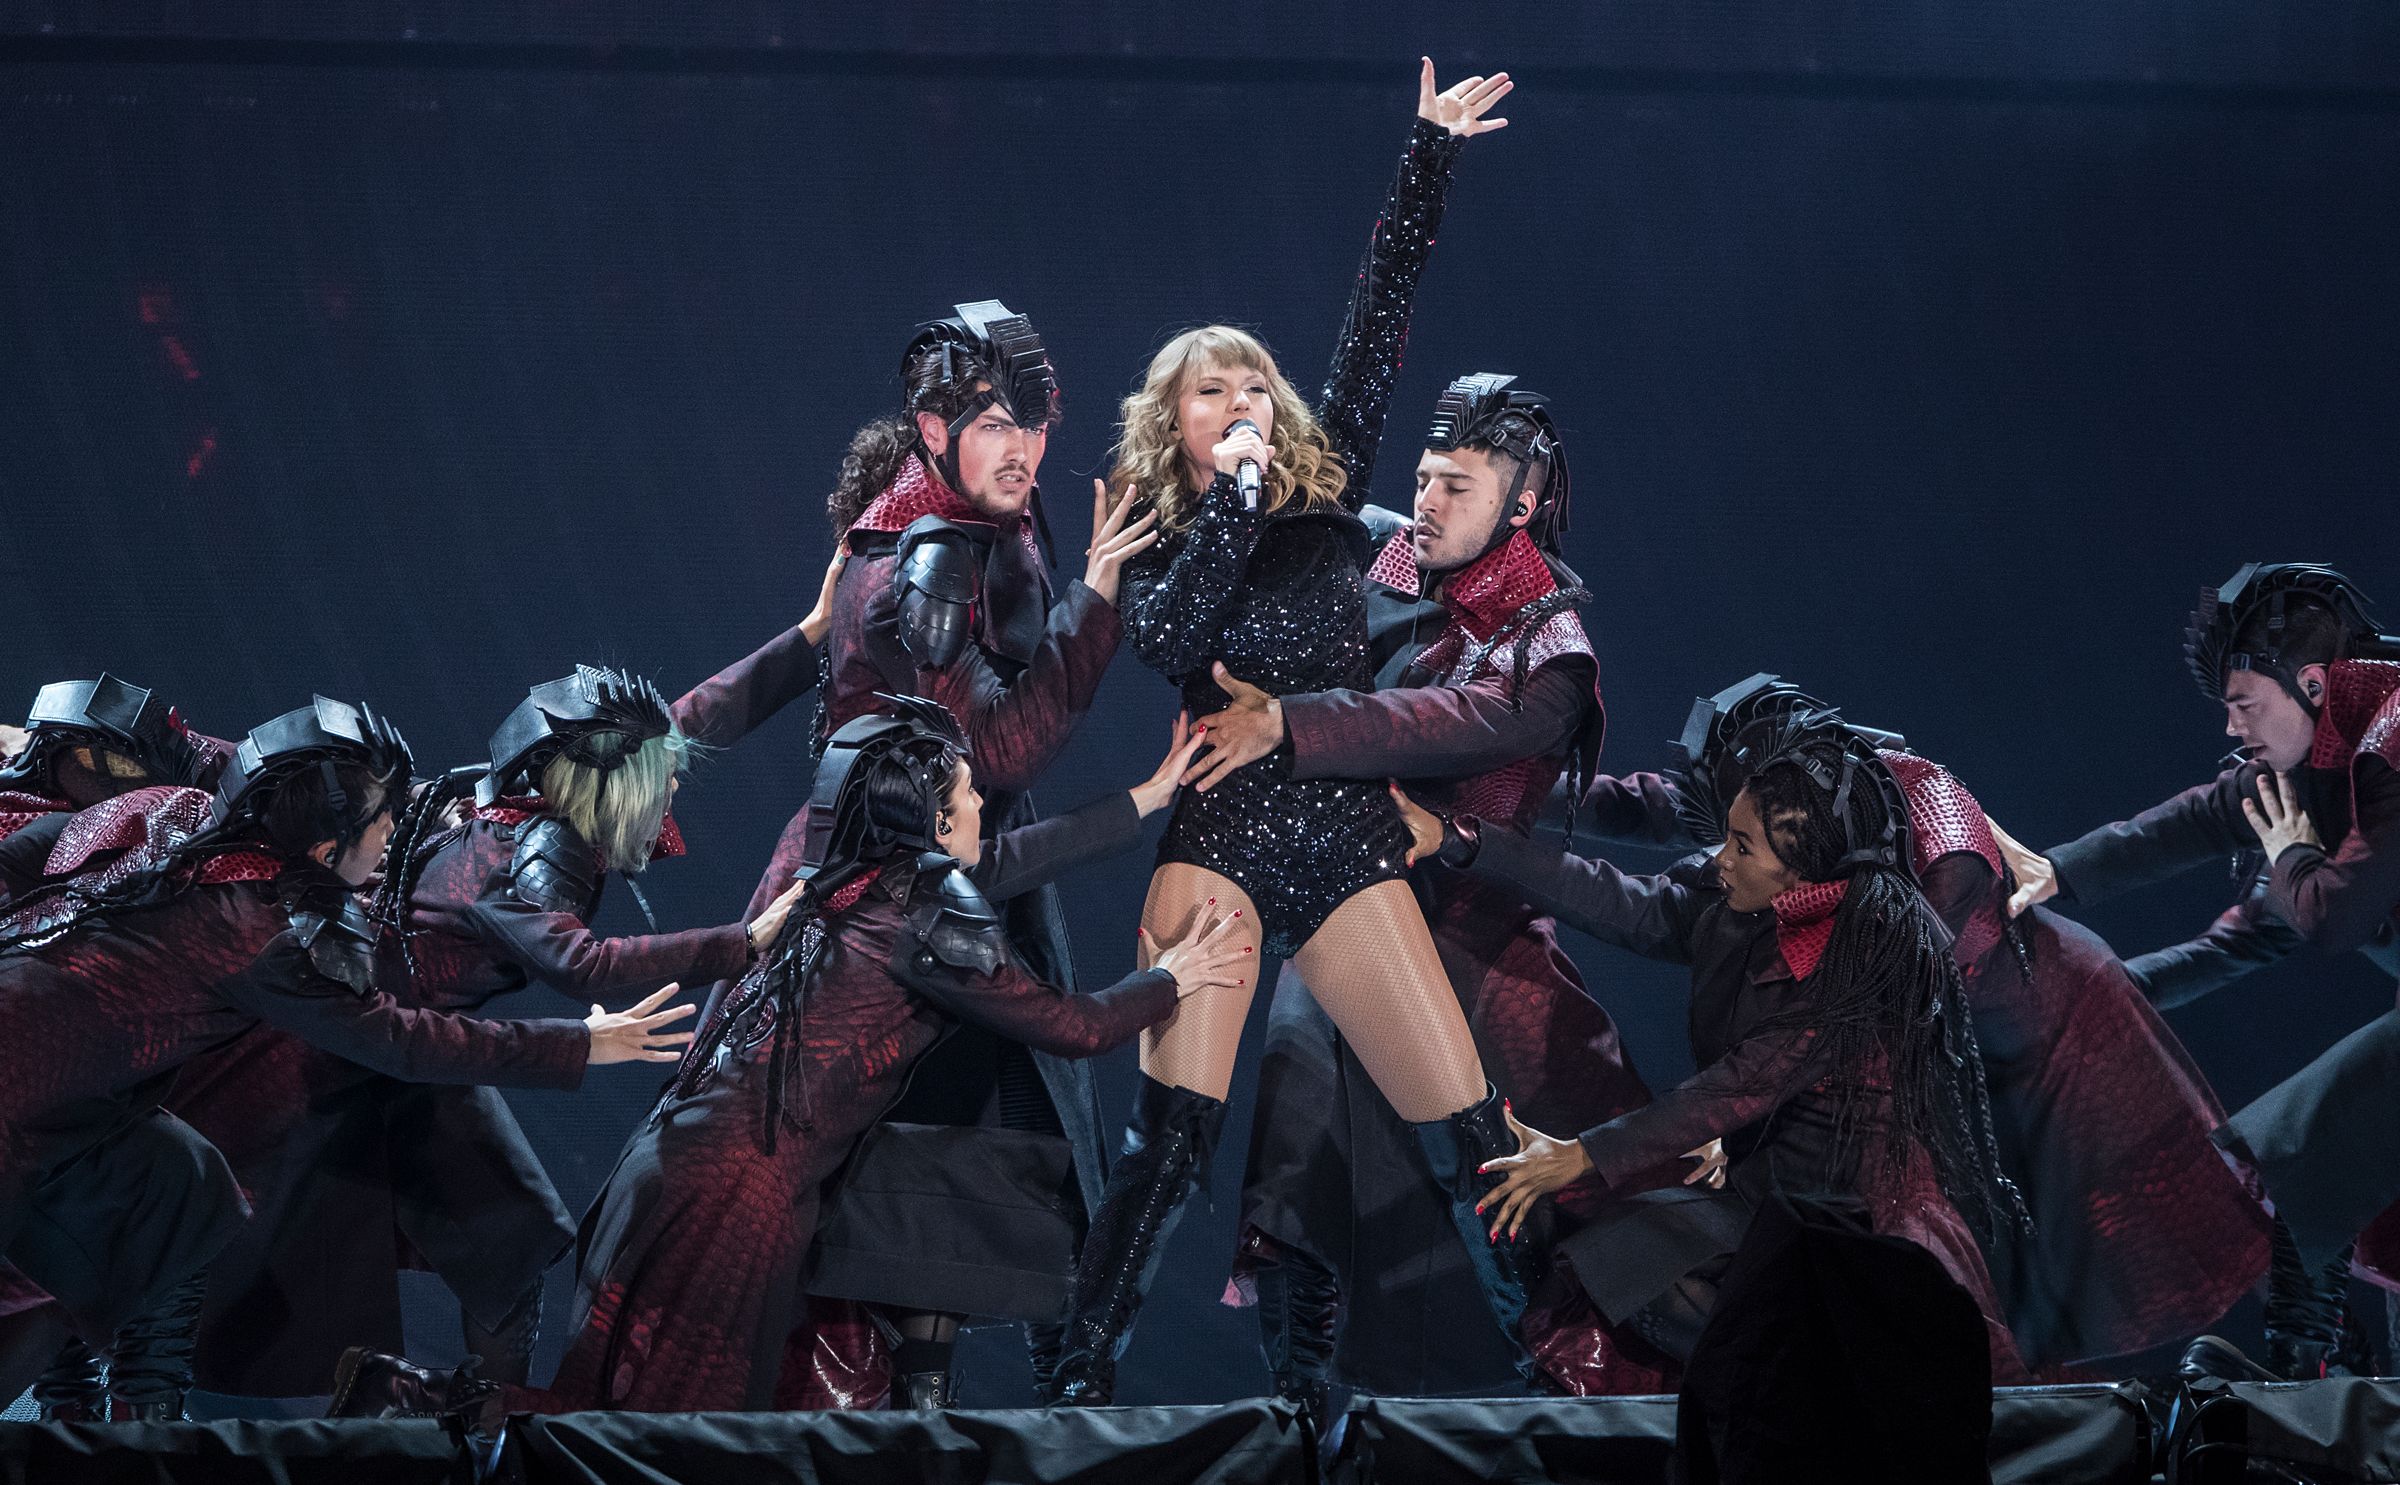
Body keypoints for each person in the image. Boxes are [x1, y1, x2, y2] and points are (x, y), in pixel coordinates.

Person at [326, 698, 1253, 1417]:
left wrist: (1142, 799)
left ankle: (405, 1397)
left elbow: (1004, 860)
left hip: (673, 1167)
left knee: (653, 1418)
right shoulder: (927, 906)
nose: (983, 805)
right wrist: (1170, 977)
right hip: (734, 1198)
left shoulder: (838, 880)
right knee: (647, 1435)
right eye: (969, 794)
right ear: (932, 824)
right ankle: (405, 1402)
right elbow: (1070, 1024)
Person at [1053, 60, 1532, 1404]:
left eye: (1254, 384)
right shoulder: (1154, 537)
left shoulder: (1331, 506)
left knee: (1473, 1129)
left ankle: (1560, 1363)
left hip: (1341, 842)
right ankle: (1077, 1383)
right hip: (1221, 841)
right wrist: (1230, 497)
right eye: (1211, 391)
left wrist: (1427, 154)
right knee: (1173, 1145)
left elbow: (1377, 322)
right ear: (1174, 424)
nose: (1242, 401)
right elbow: (1171, 640)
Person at [164, 590, 834, 1405]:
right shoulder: (526, 857)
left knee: (509, 1252)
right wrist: (743, 942)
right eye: (660, 784)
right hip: (353, 1055)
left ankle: (478, 1431)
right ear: (618, 789)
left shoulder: (541, 793)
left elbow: (683, 724)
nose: (672, 795)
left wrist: (809, 636)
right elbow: (581, 963)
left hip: (414, 1060)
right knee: (234, 1274)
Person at [0, 697, 692, 1413]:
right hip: (47, 1104)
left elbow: (44, 845)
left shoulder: (181, 814)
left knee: (184, 1182)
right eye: (383, 821)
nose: (397, 832)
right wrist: (585, 1041)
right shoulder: (269, 935)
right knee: (55, 1284)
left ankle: (129, 1424)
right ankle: (96, 1417)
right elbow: (402, 1037)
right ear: (326, 849)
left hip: (111, 1100)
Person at [1585, 675, 2269, 1374]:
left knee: (2171, 1220)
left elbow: (1862, 1000)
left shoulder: (1929, 817)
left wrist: (1740, 1111)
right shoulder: (1803, 802)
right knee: (2002, 1279)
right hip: (1958, 1063)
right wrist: (1529, 798)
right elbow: (1652, 808)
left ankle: (2300, 1356)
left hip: (2054, 1036)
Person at [1190, 372, 1651, 1403]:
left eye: (1456, 486)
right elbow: (1313, 513)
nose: (1427, 503)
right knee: (1289, 1177)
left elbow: (1441, 724)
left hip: (1474, 954)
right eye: (1424, 478)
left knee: (1511, 1196)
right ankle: (1300, 1420)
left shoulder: (1551, 653)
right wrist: (1240, 460)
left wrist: (1293, 721)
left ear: (1520, 506)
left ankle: (1569, 1405)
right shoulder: (1399, 554)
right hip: (1355, 921)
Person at [739, 297, 1158, 1394]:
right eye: (995, 426)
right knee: (883, 1184)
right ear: (933, 430)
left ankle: (954, 1413)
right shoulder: (914, 565)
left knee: (979, 1170)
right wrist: (1097, 601)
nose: (1024, 450)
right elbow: (1000, 748)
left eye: (1035, 424)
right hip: (887, 899)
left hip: (964, 871)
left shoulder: (982, 514)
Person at [1398, 707, 2032, 1381]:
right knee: (1619, 1264)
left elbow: (1740, 1083)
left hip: (1857, 1215)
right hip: (1765, 1192)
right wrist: (1461, 839)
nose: (1721, 859)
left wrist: (1580, 1156)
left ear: (1802, 872)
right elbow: (1611, 897)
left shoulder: (1863, 963)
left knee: (1878, 1360)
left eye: (1743, 848)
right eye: (1728, 836)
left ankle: (1825, 1393)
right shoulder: (1734, 903)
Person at [1997, 564, 2400, 1381]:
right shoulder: (2306, 779)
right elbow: (2208, 857)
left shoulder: (2392, 745)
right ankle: (2327, 1381)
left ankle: (2305, 1374)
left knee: (2298, 1141)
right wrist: (2061, 886)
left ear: (2313, 684)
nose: (2230, 724)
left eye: (2245, 702)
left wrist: (2291, 855)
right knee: (2322, 1166)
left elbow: (2333, 916)